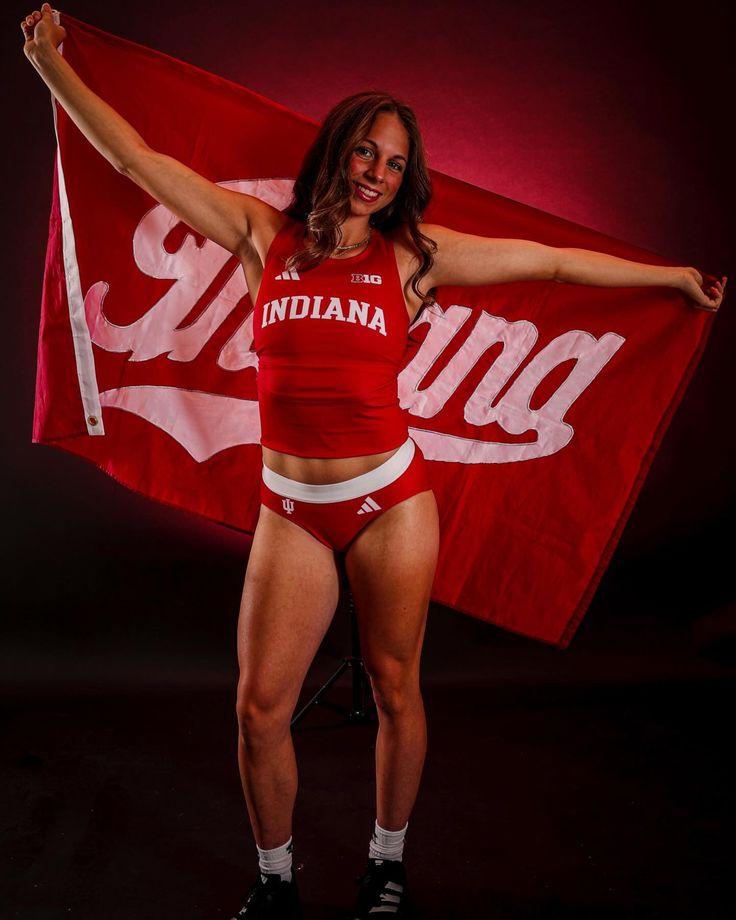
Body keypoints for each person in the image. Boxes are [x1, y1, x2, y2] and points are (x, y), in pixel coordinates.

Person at [22, 5, 725, 919]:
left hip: (392, 499)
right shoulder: (258, 235)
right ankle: (275, 881)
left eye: (396, 164)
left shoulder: (415, 260)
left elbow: (551, 263)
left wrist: (667, 278)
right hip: (290, 508)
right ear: (338, 151)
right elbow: (137, 163)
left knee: (396, 687)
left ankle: (386, 862)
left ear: (406, 180)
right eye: (367, 153)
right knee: (257, 708)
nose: (377, 175)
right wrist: (52, 70)